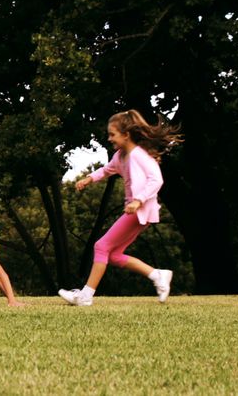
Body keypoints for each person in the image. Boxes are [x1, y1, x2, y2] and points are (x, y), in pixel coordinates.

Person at [59, 109, 183, 306]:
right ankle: (157, 275)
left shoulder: (138, 155)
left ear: (126, 135)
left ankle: (85, 296)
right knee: (114, 255)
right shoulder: (120, 156)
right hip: (134, 210)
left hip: (140, 210)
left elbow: (156, 179)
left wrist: (138, 200)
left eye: (112, 134)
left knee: (101, 246)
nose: (109, 138)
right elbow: (107, 170)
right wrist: (89, 178)